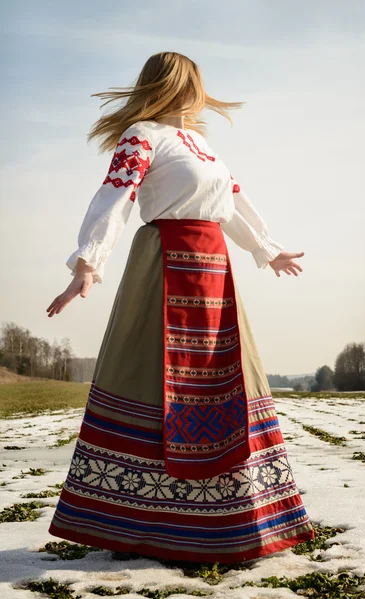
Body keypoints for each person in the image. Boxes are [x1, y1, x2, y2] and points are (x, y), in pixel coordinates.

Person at [46, 51, 314, 565]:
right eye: (191, 83)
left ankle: (231, 523)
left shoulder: (204, 147)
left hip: (214, 271)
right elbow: (114, 197)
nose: (197, 93)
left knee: (224, 383)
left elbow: (231, 202)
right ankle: (139, 526)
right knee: (154, 379)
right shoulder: (142, 136)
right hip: (165, 267)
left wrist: (267, 248)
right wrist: (87, 263)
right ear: (174, 85)